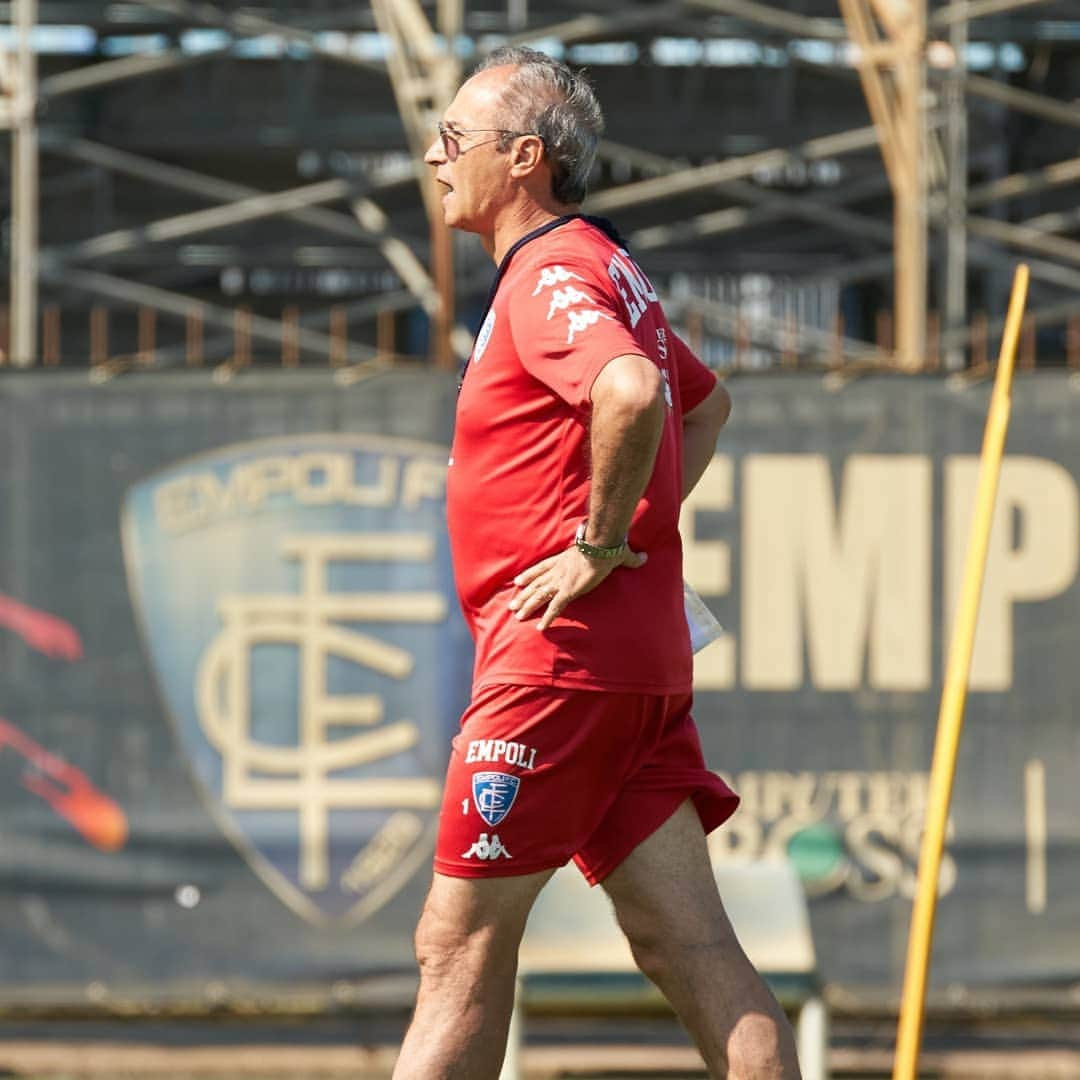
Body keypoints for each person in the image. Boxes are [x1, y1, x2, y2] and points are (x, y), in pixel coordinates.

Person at [393, 45, 801, 1080]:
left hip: (558, 670)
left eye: (454, 139)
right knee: (690, 947)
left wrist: (600, 542)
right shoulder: (600, 266)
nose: (434, 159)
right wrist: (628, 529)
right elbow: (704, 405)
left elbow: (632, 394)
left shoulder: (552, 273)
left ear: (523, 156)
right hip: (630, 668)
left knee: (456, 948)